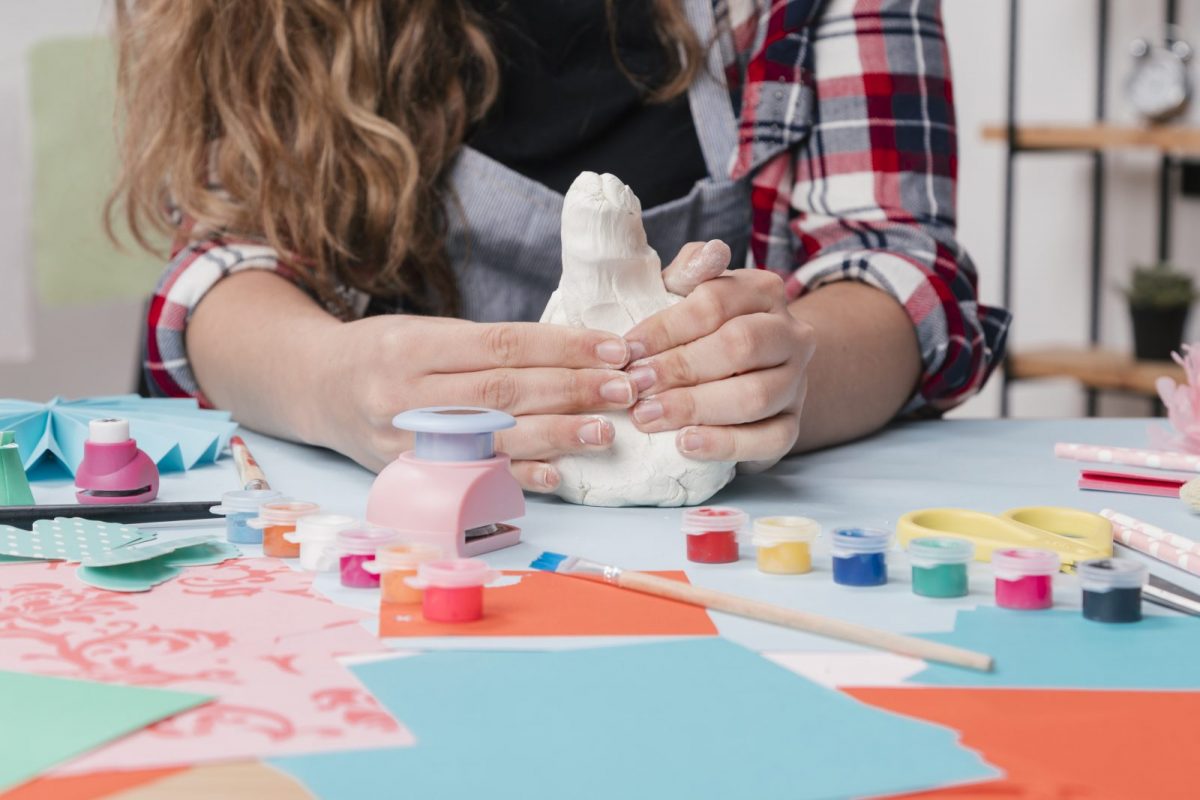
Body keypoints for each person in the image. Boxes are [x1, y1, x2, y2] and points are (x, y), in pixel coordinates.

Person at [113, 0, 1009, 493]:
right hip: (398, 561)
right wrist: (330, 379)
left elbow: (900, 270)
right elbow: (219, 267)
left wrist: (777, 372)